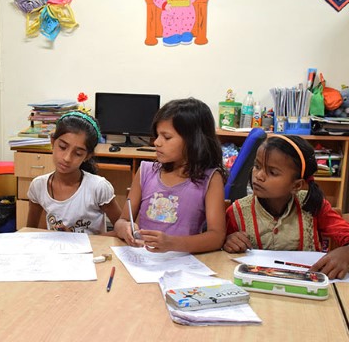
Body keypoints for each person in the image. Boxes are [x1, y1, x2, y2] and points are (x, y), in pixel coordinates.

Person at [224, 135, 349, 279]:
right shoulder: (237, 212)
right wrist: (229, 241)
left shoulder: (314, 206)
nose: (258, 176)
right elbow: (221, 248)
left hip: (304, 289)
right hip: (257, 289)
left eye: (272, 172)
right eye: (257, 166)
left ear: (296, 185)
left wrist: (346, 252)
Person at [114, 97, 227, 252]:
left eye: (166, 137)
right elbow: (122, 221)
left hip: (183, 264)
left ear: (194, 140)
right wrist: (125, 228)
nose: (157, 142)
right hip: (144, 260)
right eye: (157, 135)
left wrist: (172, 244)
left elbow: (216, 237)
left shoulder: (211, 179)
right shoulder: (146, 171)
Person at [27, 111, 121, 235]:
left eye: (78, 154)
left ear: (87, 156)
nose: (66, 158)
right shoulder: (38, 186)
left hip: (92, 252)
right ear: (52, 142)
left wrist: (74, 238)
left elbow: (122, 230)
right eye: (62, 147)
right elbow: (30, 232)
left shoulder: (98, 187)